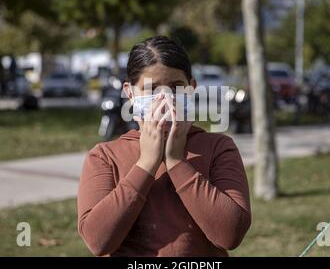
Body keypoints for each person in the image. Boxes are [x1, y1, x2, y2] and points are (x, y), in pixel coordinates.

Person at [77, 36, 251, 257]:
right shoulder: (105, 156)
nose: (165, 99)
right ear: (130, 93)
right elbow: (98, 241)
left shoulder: (218, 148)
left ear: (192, 87)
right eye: (151, 89)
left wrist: (177, 162)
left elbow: (230, 234)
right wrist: (146, 163)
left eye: (176, 87)